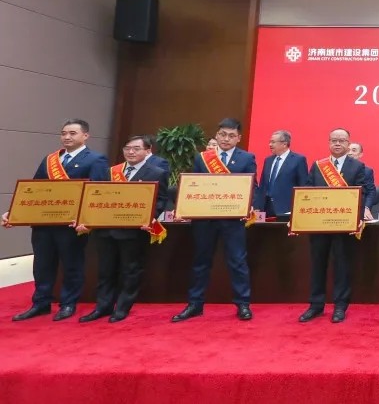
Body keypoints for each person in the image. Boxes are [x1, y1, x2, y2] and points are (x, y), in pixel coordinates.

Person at [4, 119, 109, 322]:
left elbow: (98, 192)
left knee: (71, 264)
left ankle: (68, 303)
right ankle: (40, 303)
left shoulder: (96, 159)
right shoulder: (50, 160)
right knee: (42, 264)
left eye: (72, 133)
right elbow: (33, 189)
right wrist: (15, 212)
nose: (67, 137)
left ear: (85, 136)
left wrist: (87, 219)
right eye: (63, 133)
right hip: (43, 223)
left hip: (71, 224)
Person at [75, 135, 170, 323]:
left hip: (133, 231)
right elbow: (98, 198)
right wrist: (88, 218)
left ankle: (122, 307)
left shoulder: (157, 173)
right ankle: (102, 307)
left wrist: (150, 217)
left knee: (130, 270)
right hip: (106, 230)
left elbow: (161, 200)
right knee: (106, 270)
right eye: (127, 148)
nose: (131, 152)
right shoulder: (111, 172)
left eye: (136, 148)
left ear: (147, 151)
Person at [172, 118, 257, 322]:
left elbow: (252, 186)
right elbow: (193, 185)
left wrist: (249, 204)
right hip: (205, 219)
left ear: (238, 138)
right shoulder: (203, 158)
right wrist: (184, 207)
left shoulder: (246, 158)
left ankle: (243, 304)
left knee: (237, 262)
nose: (226, 139)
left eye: (231, 136)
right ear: (217, 135)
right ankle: (195, 304)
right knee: (201, 262)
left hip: (233, 219)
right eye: (222, 135)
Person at [298, 128, 373, 324]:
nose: (337, 143)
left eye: (342, 140)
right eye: (334, 140)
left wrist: (357, 217)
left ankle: (340, 306)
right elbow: (307, 191)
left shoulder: (357, 167)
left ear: (349, 144)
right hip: (319, 225)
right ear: (329, 143)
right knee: (317, 265)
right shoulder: (318, 166)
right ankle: (315, 305)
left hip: (343, 225)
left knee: (342, 266)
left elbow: (362, 193)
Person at [256, 130, 308, 220]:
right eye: (270, 142)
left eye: (273, 142)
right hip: (266, 209)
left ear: (284, 144)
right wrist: (257, 206)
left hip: (286, 209)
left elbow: (303, 186)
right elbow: (263, 185)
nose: (270, 145)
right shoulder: (268, 160)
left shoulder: (298, 160)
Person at [348, 142, 379, 220]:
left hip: (359, 207)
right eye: (348, 150)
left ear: (360, 154)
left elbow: (371, 192)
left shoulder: (367, 171)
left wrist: (366, 208)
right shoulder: (337, 170)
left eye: (354, 150)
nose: (350, 153)